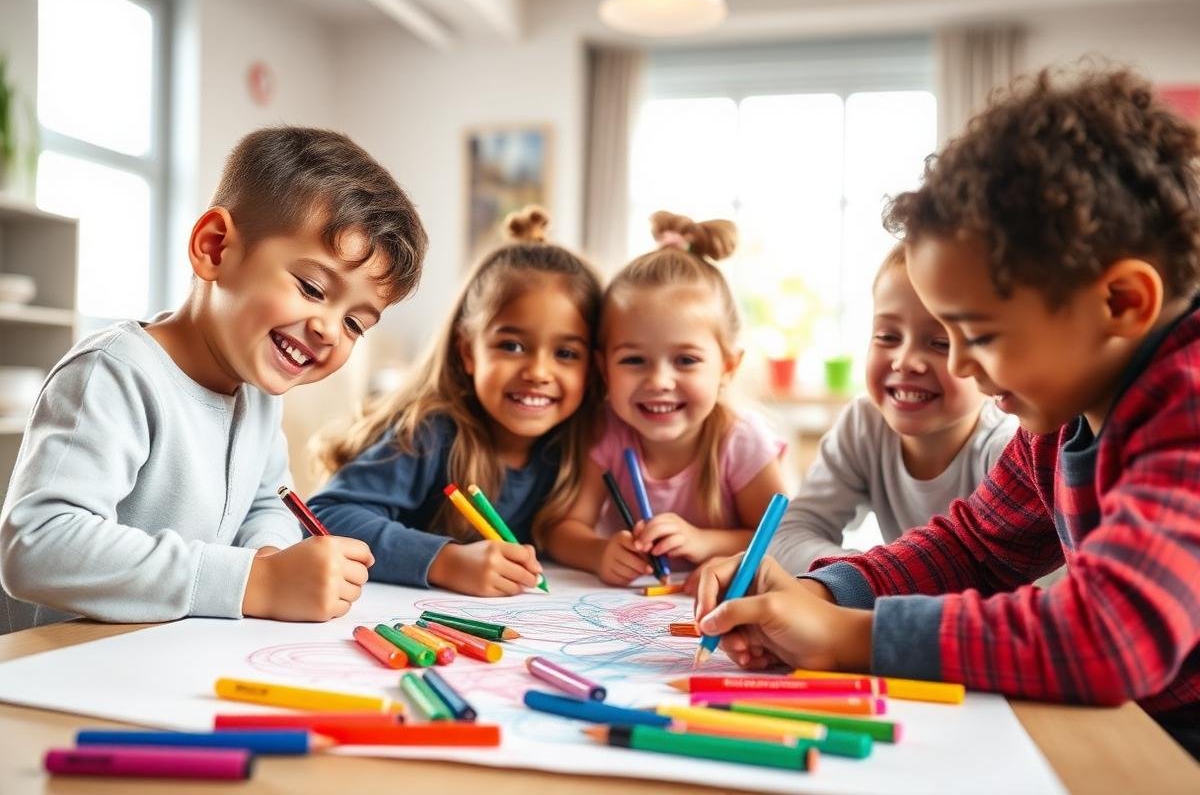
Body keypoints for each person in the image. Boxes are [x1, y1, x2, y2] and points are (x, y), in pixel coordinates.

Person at [694, 67, 1200, 758]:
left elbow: (1111, 635)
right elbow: (973, 548)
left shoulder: (1187, 408)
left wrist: (850, 638)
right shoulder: (1063, 414)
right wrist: (824, 595)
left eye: (979, 335)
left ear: (1120, 303)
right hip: (1143, 724)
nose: (960, 366)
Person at [0, 127, 428, 631]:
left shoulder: (259, 396)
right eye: (312, 288)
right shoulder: (115, 372)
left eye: (355, 323)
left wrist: (271, 555)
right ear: (215, 247)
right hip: (61, 663)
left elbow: (268, 503)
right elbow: (38, 545)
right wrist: (255, 582)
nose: (330, 331)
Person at [310, 206, 604, 596]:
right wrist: (445, 561)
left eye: (566, 353)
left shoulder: (581, 449)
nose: (538, 372)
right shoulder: (430, 433)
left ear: (594, 368)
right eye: (512, 346)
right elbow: (325, 517)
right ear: (468, 352)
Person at [547, 211, 787, 585]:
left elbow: (783, 538)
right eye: (634, 360)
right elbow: (561, 530)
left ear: (727, 367)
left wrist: (703, 542)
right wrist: (599, 552)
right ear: (603, 368)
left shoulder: (741, 441)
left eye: (686, 360)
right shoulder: (607, 432)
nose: (659, 381)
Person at [768, 243, 1016, 573]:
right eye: (887, 337)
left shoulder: (1007, 450)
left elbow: (1014, 581)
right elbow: (788, 537)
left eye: (941, 343)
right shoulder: (864, 424)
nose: (905, 361)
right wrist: (868, 573)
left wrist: (880, 576)